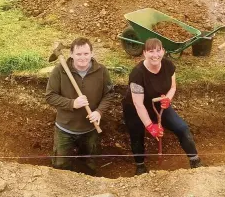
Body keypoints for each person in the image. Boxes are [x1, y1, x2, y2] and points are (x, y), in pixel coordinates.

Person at [122, 38, 202, 175]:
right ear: (144, 53)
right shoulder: (137, 74)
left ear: (163, 51)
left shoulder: (168, 66)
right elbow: (138, 104)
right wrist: (149, 126)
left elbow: (172, 87)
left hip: (159, 106)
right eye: (151, 51)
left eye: (158, 50)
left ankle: (195, 159)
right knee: (137, 134)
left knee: (181, 127)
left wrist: (168, 99)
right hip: (135, 109)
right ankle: (140, 166)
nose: (155, 55)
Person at [45, 37, 113, 174]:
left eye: (86, 53)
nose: (83, 57)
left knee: (90, 166)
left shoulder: (101, 71)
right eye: (78, 54)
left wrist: (99, 112)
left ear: (92, 53)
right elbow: (50, 96)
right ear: (71, 54)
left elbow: (109, 94)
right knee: (60, 166)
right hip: (65, 129)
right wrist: (72, 103)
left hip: (90, 130)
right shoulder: (60, 71)